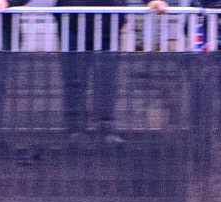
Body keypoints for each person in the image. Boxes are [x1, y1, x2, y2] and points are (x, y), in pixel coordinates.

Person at [56, 0, 168, 143]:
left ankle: (105, 129)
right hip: (72, 23)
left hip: (109, 25)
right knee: (75, 82)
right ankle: (76, 131)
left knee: (106, 82)